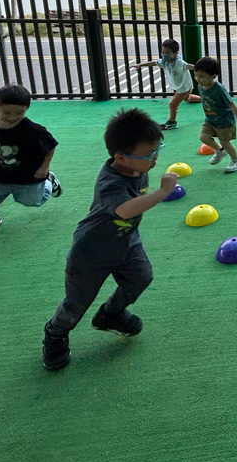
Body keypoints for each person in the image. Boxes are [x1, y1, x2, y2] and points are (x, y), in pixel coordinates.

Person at [42, 109, 178, 371]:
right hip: (91, 252)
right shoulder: (110, 182)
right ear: (121, 158)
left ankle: (110, 314)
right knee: (76, 303)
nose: (155, 158)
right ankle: (55, 333)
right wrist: (162, 192)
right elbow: (125, 210)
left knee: (141, 278)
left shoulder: (137, 169)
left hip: (126, 243)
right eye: (149, 155)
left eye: (157, 150)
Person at [0, 85, 61, 238]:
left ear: (26, 109)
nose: (12, 117)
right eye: (6, 113)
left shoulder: (33, 129)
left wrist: (44, 168)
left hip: (29, 174)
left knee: (31, 201)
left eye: (19, 113)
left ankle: (48, 182)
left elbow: (50, 146)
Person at [130, 39, 200, 131]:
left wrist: (200, 68)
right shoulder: (165, 62)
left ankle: (172, 122)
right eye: (163, 52)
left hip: (184, 88)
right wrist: (140, 65)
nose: (164, 55)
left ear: (175, 53)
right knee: (187, 98)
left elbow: (188, 66)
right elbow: (154, 63)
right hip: (180, 87)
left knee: (172, 104)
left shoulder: (178, 62)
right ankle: (204, 99)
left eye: (167, 53)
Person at [194, 56, 237, 173]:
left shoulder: (219, 89)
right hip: (210, 119)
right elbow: (207, 99)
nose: (198, 79)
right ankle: (220, 151)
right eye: (196, 75)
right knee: (203, 137)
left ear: (213, 76)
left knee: (225, 142)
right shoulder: (200, 86)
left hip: (224, 121)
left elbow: (232, 104)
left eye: (201, 76)